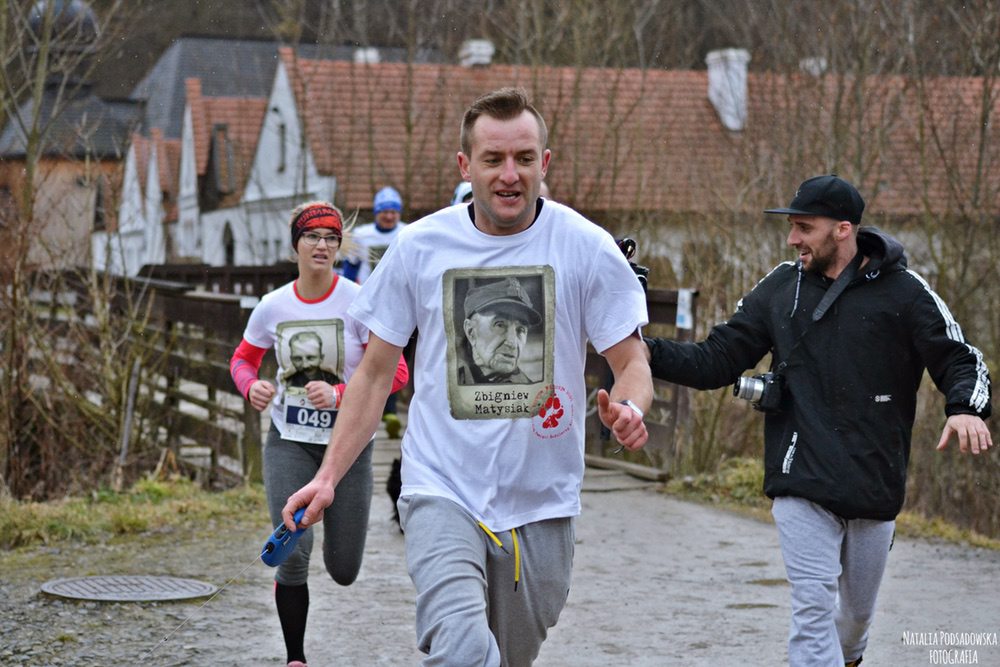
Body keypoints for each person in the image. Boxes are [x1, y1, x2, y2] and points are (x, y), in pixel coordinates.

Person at [282, 87, 652, 665]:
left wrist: (629, 408)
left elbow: (631, 362)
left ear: (544, 163)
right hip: (441, 487)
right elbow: (374, 375)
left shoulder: (585, 247)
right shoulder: (419, 247)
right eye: (493, 159)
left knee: (509, 657)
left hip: (542, 500)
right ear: (465, 165)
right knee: (460, 652)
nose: (510, 175)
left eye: (523, 158)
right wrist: (328, 477)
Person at [644, 174, 993, 667]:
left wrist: (964, 408)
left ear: (843, 229)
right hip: (800, 475)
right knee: (812, 612)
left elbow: (960, 357)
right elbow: (715, 360)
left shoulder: (906, 293)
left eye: (804, 227)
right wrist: (641, 351)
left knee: (854, 622)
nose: (793, 239)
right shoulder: (780, 288)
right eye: (792, 227)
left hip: (874, 482)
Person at [229, 201, 409, 667]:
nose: (322, 245)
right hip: (289, 441)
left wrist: (342, 393)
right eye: (312, 237)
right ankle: (296, 658)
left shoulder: (360, 301)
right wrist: (251, 385)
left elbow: (398, 372)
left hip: (350, 446)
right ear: (296, 246)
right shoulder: (273, 306)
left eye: (331, 238)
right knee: (292, 552)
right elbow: (243, 359)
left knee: (344, 569)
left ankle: (335, 531)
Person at [341, 185, 408, 438]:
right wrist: (346, 298)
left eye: (393, 212)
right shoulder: (362, 236)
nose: (389, 216)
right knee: (376, 360)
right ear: (377, 213)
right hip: (370, 307)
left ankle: (388, 410)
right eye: (384, 212)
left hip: (401, 305)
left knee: (398, 362)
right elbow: (350, 269)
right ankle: (380, 410)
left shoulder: (408, 233)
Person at [457, 276, 541, 384]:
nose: (512, 343)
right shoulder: (445, 380)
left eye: (520, 330)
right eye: (500, 325)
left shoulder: (531, 391)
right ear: (471, 332)